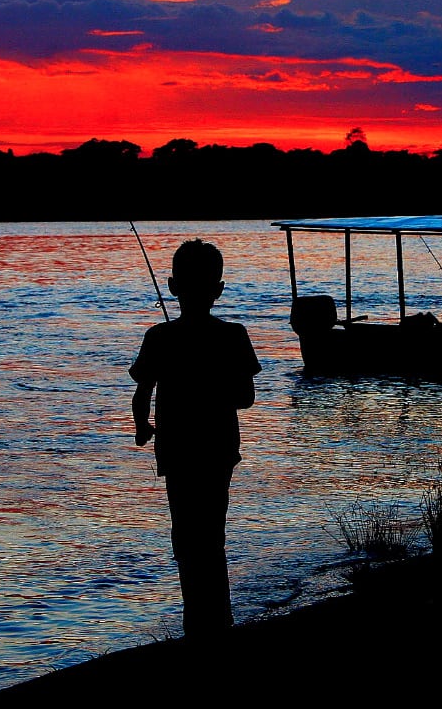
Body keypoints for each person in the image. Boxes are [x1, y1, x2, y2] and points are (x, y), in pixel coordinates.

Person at [129, 238, 261, 639]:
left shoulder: (159, 337)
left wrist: (142, 428)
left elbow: (141, 393)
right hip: (219, 449)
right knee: (211, 533)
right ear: (218, 289)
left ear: (172, 286)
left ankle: (197, 620)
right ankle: (218, 618)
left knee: (186, 534)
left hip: (178, 449)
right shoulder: (234, 335)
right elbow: (246, 398)